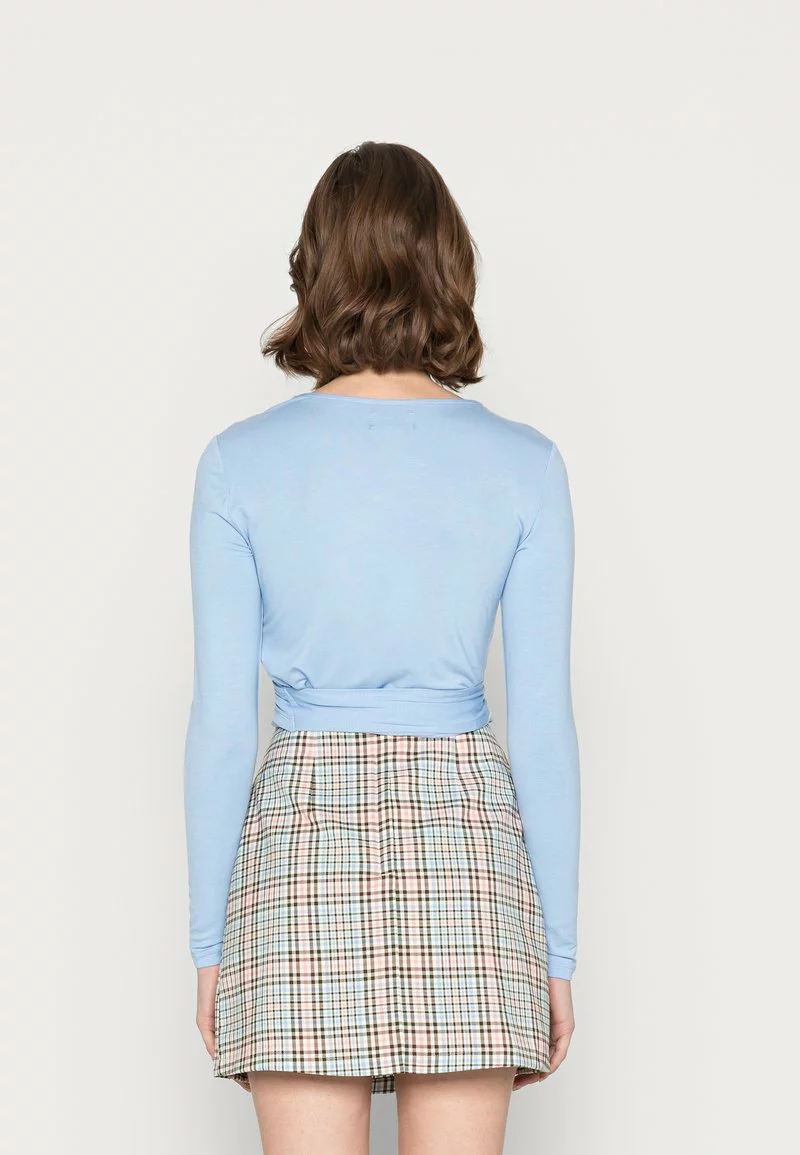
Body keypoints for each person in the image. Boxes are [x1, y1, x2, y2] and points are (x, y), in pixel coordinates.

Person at [183, 141, 581, 1155]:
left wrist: (209, 943)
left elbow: (224, 725)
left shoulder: (237, 464)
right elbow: (541, 725)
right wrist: (557, 951)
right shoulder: (525, 465)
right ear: (450, 264)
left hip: (299, 839)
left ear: (313, 269)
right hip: (467, 841)